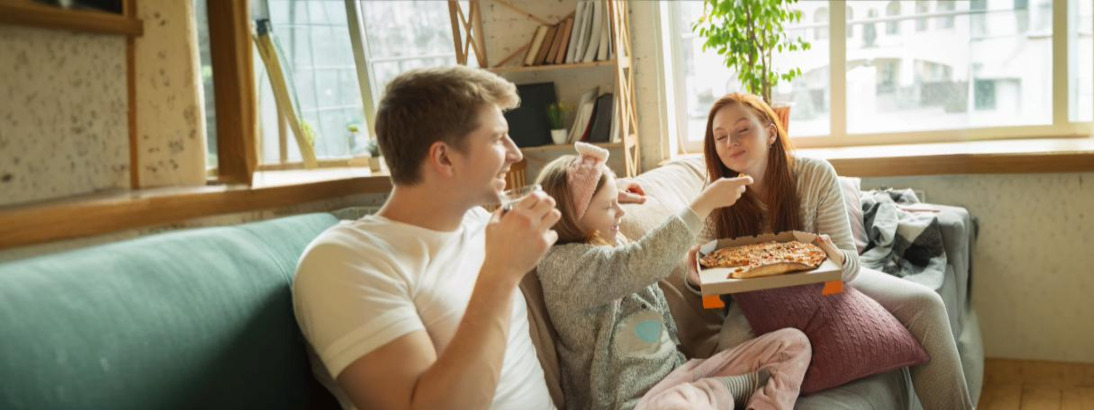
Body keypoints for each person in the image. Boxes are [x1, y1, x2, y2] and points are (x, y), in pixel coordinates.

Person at [291, 66, 641, 409]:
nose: (516, 153)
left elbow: (554, 214)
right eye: (497, 139)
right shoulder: (345, 262)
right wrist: (501, 273)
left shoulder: (477, 221)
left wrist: (604, 198)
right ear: (444, 158)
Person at [691, 92, 975, 409]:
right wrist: (694, 275)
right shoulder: (715, 194)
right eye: (720, 136)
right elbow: (703, 273)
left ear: (770, 132)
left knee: (927, 304)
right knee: (729, 350)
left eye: (743, 129)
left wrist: (833, 257)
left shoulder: (815, 175)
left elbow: (850, 264)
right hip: (756, 298)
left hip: (823, 283)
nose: (731, 142)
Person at [534, 143, 812, 410]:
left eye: (616, 202)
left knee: (793, 344)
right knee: (679, 404)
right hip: (634, 401)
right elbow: (641, 261)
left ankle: (722, 392)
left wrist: (613, 193)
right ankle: (727, 389)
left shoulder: (605, 240)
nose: (620, 212)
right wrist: (704, 204)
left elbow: (581, 203)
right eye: (609, 206)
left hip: (681, 375)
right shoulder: (563, 268)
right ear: (571, 216)